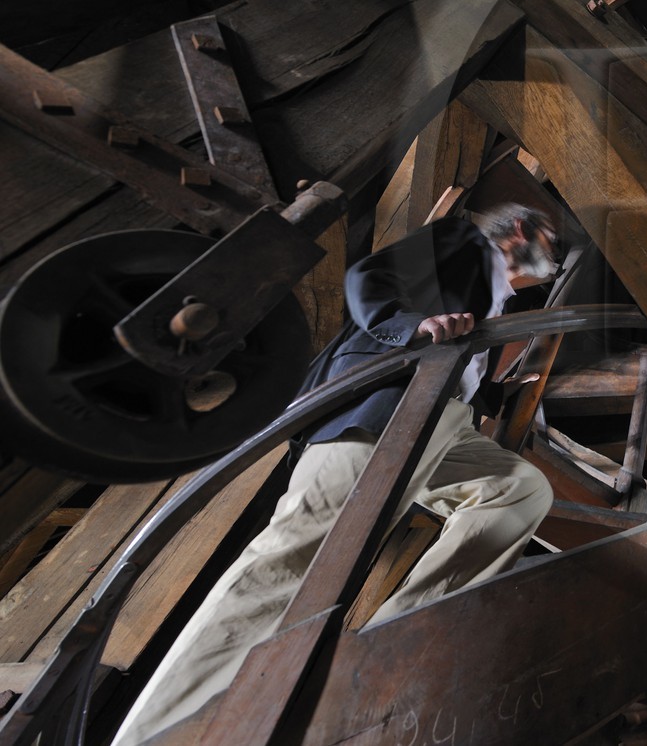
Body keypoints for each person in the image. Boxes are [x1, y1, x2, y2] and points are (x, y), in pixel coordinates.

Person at [112, 204, 564, 745]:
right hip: (385, 403)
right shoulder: (459, 242)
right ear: (520, 230)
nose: (555, 256)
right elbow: (368, 276)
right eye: (551, 240)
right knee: (298, 554)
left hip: (445, 419)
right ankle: (157, 732)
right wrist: (411, 326)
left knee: (517, 491)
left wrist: (497, 393)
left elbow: (465, 365)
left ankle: (388, 641)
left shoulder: (495, 297)